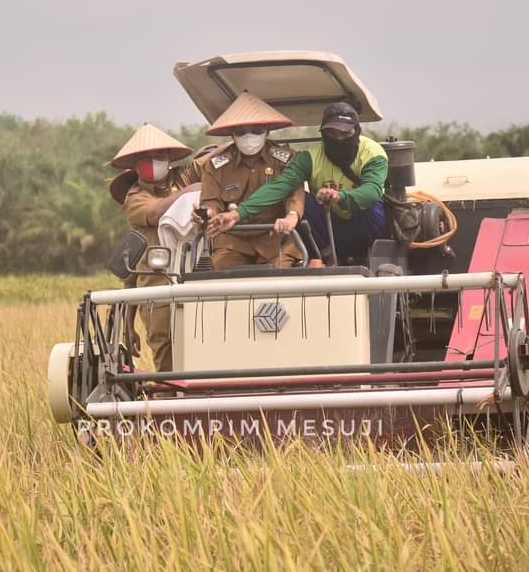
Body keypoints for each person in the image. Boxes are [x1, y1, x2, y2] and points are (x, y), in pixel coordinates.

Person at [208, 102, 388, 263]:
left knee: (369, 203)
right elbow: (279, 187)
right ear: (323, 133)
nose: (339, 138)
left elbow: (371, 191)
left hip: (367, 223)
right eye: (332, 133)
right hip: (330, 224)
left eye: (345, 133)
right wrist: (236, 215)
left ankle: (370, 255)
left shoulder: (372, 153)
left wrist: (339, 195)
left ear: (356, 131)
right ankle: (322, 258)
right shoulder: (309, 157)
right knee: (305, 200)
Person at [108, 123, 196, 372]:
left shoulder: (184, 178)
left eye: (158, 157)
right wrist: (128, 322)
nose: (152, 162)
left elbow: (210, 164)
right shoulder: (135, 198)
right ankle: (168, 407)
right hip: (157, 293)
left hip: (197, 282)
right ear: (135, 165)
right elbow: (131, 272)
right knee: (167, 363)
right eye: (144, 158)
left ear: (169, 159)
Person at [196, 92, 305, 269]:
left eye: (256, 131)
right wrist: (206, 213)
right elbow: (210, 202)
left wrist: (291, 217)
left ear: (267, 131)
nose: (249, 137)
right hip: (232, 240)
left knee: (282, 276)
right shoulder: (215, 165)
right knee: (217, 276)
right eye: (241, 132)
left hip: (276, 238)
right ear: (232, 134)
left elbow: (294, 194)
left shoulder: (287, 159)